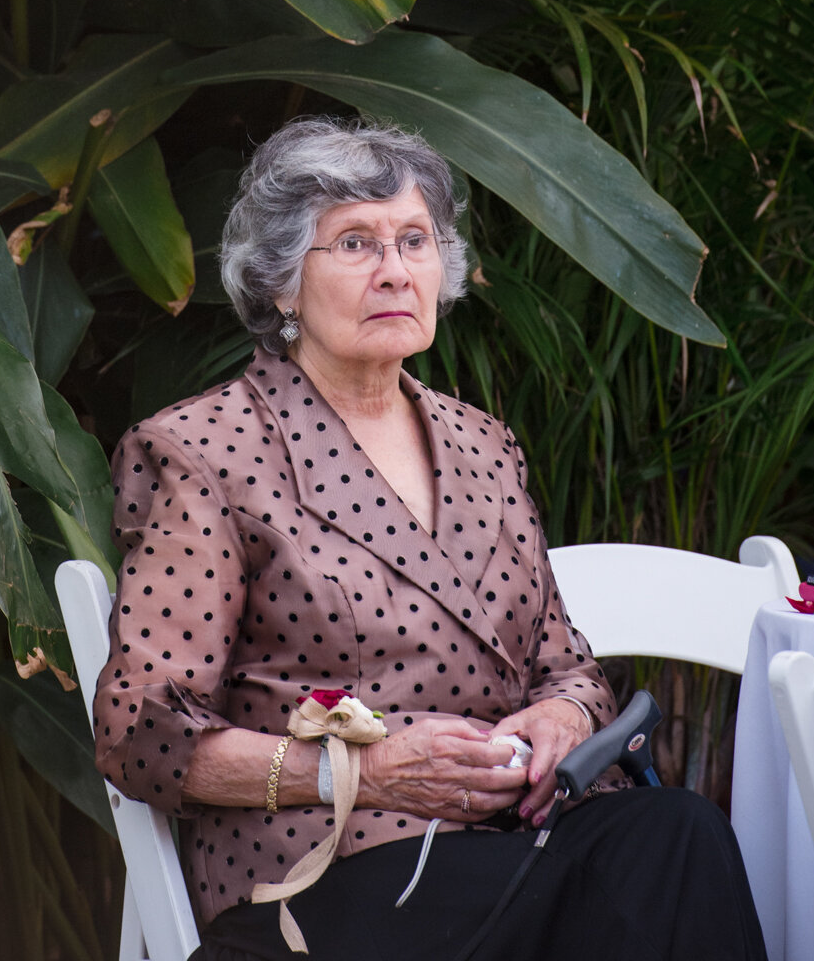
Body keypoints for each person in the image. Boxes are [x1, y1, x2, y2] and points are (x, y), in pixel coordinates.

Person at [92, 117, 766, 961]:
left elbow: (567, 667)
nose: (394, 270)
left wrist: (559, 718)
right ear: (278, 285)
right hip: (328, 876)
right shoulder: (206, 450)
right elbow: (139, 732)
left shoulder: (482, 443)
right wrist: (362, 774)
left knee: (677, 831)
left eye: (414, 240)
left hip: (515, 845)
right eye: (354, 244)